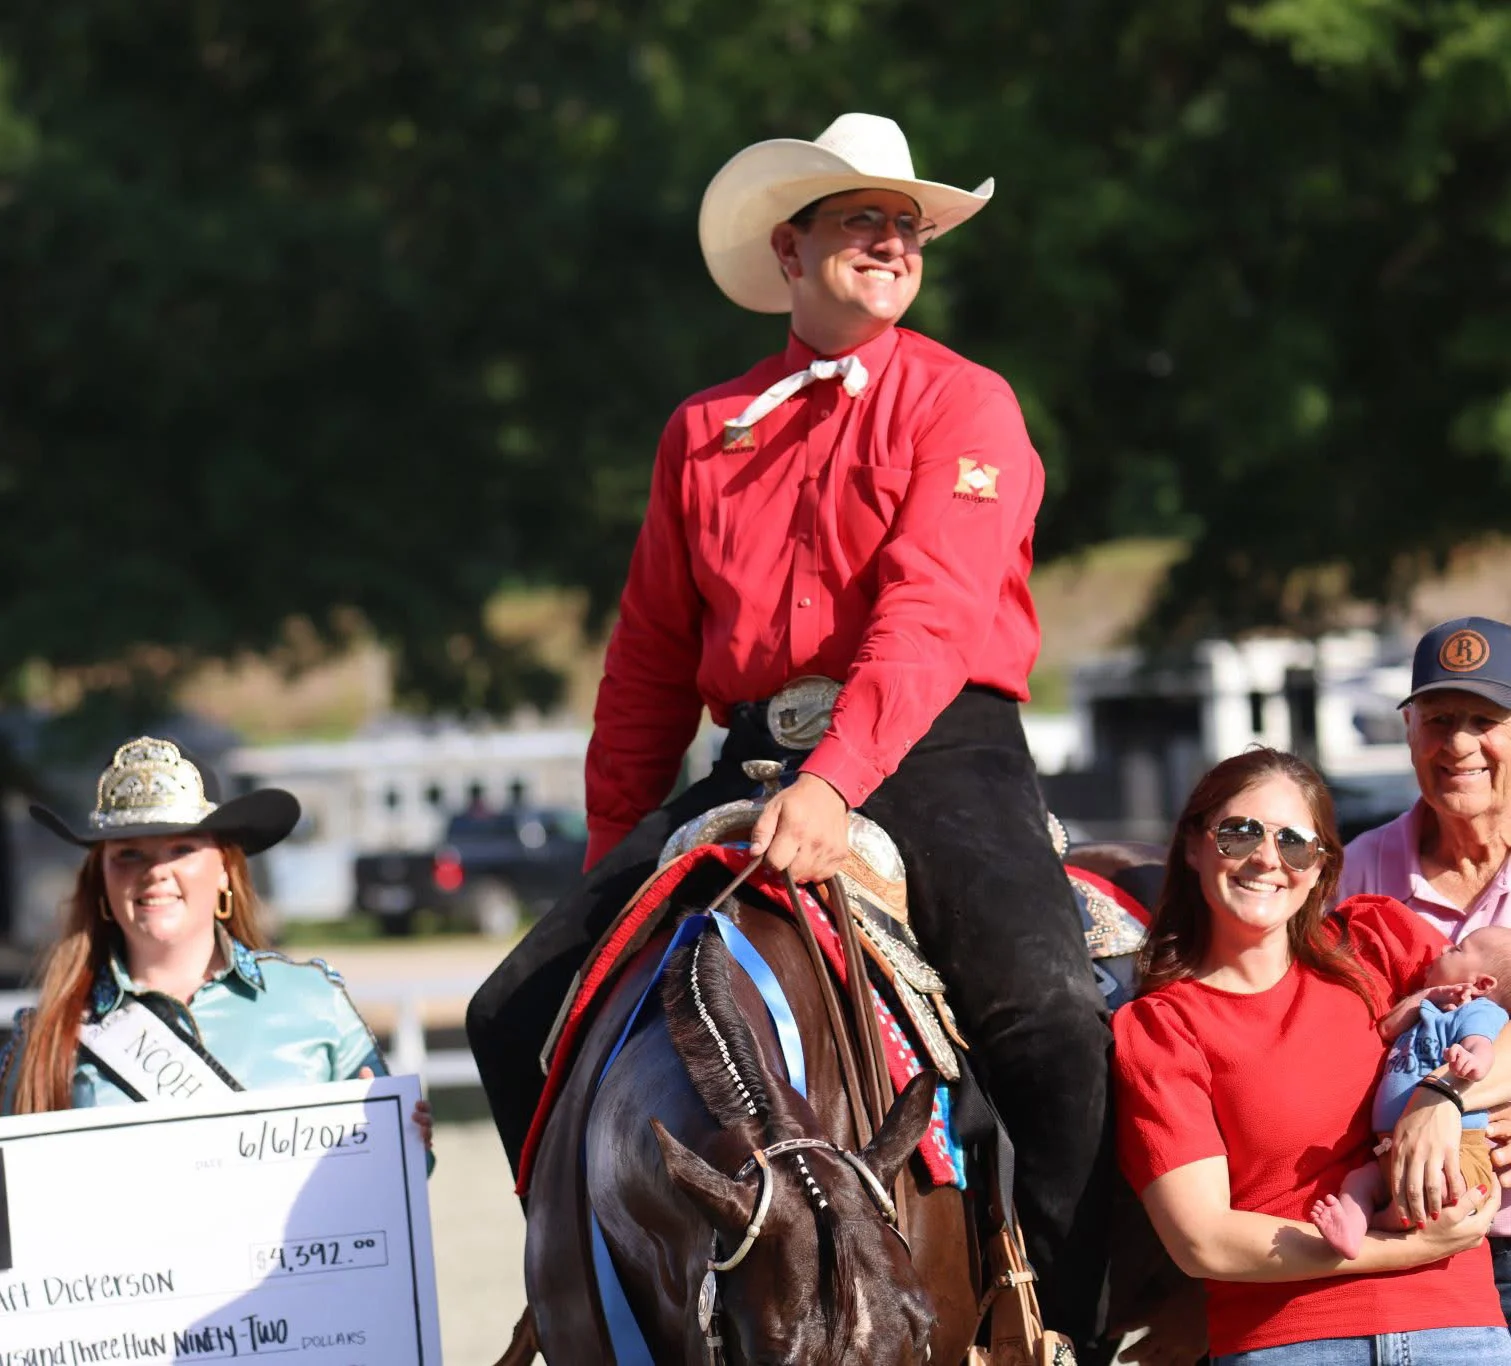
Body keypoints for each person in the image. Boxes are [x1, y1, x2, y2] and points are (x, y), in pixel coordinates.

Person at [466, 111, 1112, 1344]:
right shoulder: (702, 431)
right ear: (788, 249)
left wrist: (838, 781)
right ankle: (575, 1303)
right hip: (753, 751)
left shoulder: (963, 406)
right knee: (513, 1009)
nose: (888, 241)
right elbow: (650, 658)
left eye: (905, 225)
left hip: (934, 744)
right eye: (858, 219)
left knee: (1044, 1011)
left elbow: (930, 612)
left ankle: (1077, 1321)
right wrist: (618, 858)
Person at [1114, 746, 1511, 1364]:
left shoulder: (1376, 941)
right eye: (1240, 832)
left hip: (1458, 1331)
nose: (1268, 859)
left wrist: (1443, 1095)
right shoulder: (1162, 1027)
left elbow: (1499, 1023)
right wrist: (1404, 1248)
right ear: (1193, 844)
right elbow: (1204, 1241)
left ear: (1321, 867)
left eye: (1295, 843)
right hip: (1292, 1343)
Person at [0, 735, 432, 1156]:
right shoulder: (48, 1036)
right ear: (103, 878)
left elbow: (399, 1179)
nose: (156, 872)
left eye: (182, 848)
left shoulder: (314, 1002)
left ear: (226, 869)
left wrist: (405, 1140)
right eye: (129, 854)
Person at [1337, 615, 1511, 1314]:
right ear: (1408, 729)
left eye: (1484, 719)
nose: (1459, 744)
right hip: (1400, 1247)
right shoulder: (1349, 873)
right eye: (1438, 719)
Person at [1311, 927, 1511, 1258]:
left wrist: (1471, 1062)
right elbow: (1387, 1028)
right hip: (1392, 1146)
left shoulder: (1480, 1012)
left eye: (1457, 950)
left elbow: (1483, 1045)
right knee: (1361, 1182)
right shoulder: (1429, 1010)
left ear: (1483, 984)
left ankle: (1389, 1221)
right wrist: (1425, 998)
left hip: (1453, 1146)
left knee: (1440, 1187)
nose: (1443, 950)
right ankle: (1352, 1225)